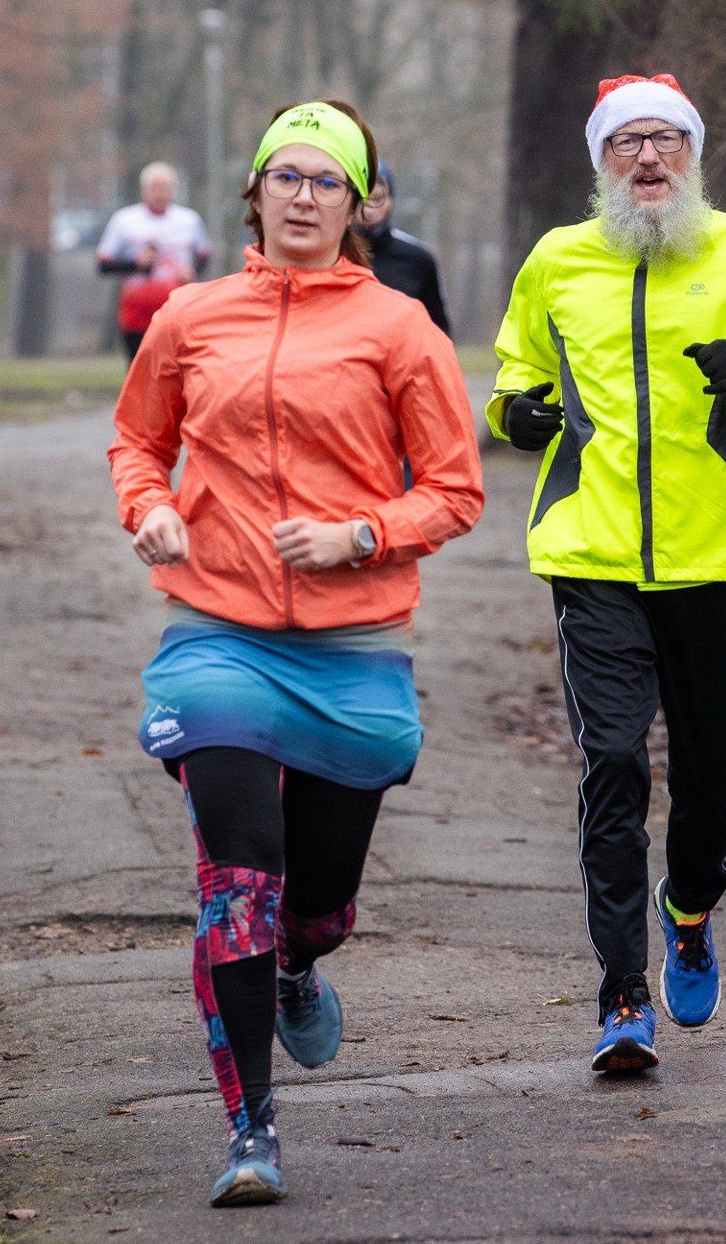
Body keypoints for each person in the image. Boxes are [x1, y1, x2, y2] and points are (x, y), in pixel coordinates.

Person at [107, 100, 483, 1207]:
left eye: (328, 181)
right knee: (239, 878)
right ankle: (251, 1128)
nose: (305, 196)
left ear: (358, 203)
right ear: (255, 193)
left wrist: (360, 534)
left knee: (313, 903)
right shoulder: (191, 315)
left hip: (353, 646)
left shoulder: (400, 329)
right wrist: (149, 509)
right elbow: (138, 441)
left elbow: (454, 488)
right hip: (216, 633)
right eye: (287, 176)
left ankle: (301, 961)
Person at [487, 74, 726, 1074]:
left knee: (705, 785)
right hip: (591, 555)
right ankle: (621, 994)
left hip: (718, 561)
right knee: (611, 765)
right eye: (626, 142)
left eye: (666, 140)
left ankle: (688, 909)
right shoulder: (557, 260)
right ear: (601, 161)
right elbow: (516, 369)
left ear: (693, 154)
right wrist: (515, 415)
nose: (647, 157)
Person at [97, 161, 214, 358]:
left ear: (173, 189)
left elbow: (204, 256)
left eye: (165, 187)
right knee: (140, 369)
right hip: (138, 313)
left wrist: (192, 271)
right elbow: (103, 265)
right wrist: (136, 264)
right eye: (154, 187)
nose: (159, 193)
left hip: (177, 311)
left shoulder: (189, 220)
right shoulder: (125, 220)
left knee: (177, 367)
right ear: (143, 189)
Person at [356, 163, 450, 335]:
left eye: (377, 198)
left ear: (391, 202)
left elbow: (439, 330)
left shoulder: (419, 260)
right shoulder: (327, 254)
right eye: (361, 197)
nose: (368, 208)